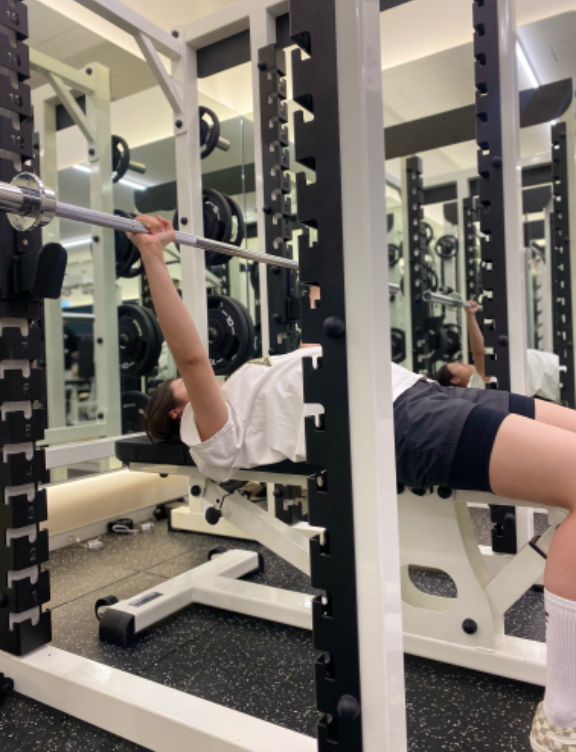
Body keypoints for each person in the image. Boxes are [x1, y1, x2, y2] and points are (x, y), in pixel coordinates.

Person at [129, 215, 576, 752]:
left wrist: (322, 278)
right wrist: (154, 255)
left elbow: (319, 350)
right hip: (399, 422)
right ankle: (560, 718)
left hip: (417, 392)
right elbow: (192, 355)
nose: (198, 379)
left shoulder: (247, 383)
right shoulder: (208, 429)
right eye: (181, 385)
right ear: (175, 409)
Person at [434, 301, 560, 403]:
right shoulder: (476, 384)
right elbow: (479, 352)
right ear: (455, 380)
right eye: (457, 366)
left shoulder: (478, 385)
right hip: (552, 376)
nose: (463, 364)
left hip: (552, 369)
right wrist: (470, 316)